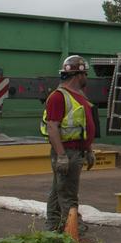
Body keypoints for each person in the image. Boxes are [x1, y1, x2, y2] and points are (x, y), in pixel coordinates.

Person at [41, 55, 96, 233]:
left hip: (76, 151)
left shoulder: (78, 96)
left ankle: (52, 228)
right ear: (78, 75)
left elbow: (84, 126)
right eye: (85, 74)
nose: (86, 77)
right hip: (67, 152)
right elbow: (52, 127)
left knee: (58, 191)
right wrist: (62, 155)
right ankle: (75, 231)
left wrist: (88, 150)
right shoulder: (58, 97)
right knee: (68, 194)